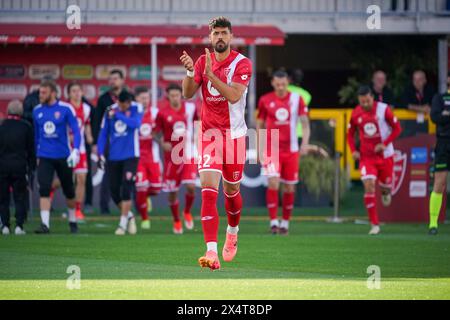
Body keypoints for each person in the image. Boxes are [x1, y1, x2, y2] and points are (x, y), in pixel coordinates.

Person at [181, 16, 252, 270]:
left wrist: (212, 75)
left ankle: (232, 231)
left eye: (224, 33)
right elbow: (188, 93)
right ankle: (211, 251)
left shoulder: (242, 64)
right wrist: (192, 71)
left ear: (230, 36)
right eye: (215, 34)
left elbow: (234, 96)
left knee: (232, 192)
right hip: (209, 135)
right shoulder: (203, 61)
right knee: (208, 192)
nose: (220, 37)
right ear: (210, 38)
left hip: (234, 136)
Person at [257, 70, 310, 235]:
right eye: (277, 84)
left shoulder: (297, 99)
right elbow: (259, 125)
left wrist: (305, 144)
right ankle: (273, 222)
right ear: (272, 83)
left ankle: (285, 223)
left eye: (283, 84)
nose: (280, 87)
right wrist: (259, 149)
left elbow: (305, 124)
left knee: (289, 188)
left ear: (288, 82)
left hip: (291, 149)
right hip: (272, 148)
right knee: (273, 182)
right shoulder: (265, 100)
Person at [347, 86, 402, 235]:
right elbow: (350, 134)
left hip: (385, 156)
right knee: (369, 185)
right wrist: (354, 151)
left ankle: (386, 192)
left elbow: (397, 128)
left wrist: (384, 144)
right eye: (362, 101)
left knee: (385, 187)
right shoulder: (356, 112)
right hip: (367, 158)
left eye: (367, 101)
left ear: (373, 97)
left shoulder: (384, 110)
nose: (365, 104)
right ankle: (374, 224)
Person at [33, 80, 81, 234]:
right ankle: (45, 225)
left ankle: (73, 221)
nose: (40, 95)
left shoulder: (66, 109)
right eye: (40, 92)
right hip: (44, 156)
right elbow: (36, 136)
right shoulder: (37, 110)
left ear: (53, 93)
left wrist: (76, 150)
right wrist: (36, 154)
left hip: (63, 156)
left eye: (44, 92)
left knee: (69, 190)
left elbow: (76, 130)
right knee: (44, 189)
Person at [97, 90, 143, 235]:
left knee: (126, 189)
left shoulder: (136, 107)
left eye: (128, 104)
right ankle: (129, 216)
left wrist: (118, 115)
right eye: (123, 105)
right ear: (118, 101)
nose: (126, 107)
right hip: (114, 156)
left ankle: (122, 225)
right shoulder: (109, 110)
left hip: (131, 155)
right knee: (114, 191)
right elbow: (103, 133)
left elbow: (135, 124)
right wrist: (99, 154)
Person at [153, 83, 197, 234]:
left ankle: (187, 212)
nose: (175, 98)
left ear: (181, 95)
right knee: (173, 192)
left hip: (189, 152)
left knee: (191, 186)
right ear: (168, 96)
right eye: (172, 96)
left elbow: (199, 123)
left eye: (177, 95)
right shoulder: (162, 113)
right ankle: (177, 220)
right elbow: (155, 132)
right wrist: (162, 142)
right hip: (172, 156)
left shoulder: (190, 109)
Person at [92, 69, 127, 215]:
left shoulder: (128, 97)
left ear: (122, 80)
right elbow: (96, 122)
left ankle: (134, 206)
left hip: (126, 142)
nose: (113, 81)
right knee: (107, 174)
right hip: (109, 143)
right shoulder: (104, 99)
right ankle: (104, 206)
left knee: (130, 175)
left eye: (115, 79)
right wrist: (95, 142)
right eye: (110, 79)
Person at [0, 100, 35, 235]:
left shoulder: (1, 126)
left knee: (3, 198)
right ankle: (19, 226)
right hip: (20, 167)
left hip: (2, 167)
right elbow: (31, 150)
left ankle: (5, 226)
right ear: (21, 112)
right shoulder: (26, 127)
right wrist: (31, 167)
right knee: (20, 197)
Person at [134, 86, 162, 230]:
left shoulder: (155, 113)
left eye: (147, 98)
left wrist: (157, 137)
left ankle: (145, 197)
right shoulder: (132, 113)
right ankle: (145, 218)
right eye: (142, 98)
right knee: (141, 187)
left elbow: (162, 132)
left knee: (156, 188)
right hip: (137, 158)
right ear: (136, 99)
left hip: (153, 157)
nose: (145, 101)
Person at [67, 82, 93, 220]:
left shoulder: (86, 108)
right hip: (66, 148)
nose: (77, 93)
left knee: (81, 178)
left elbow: (86, 124)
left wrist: (89, 136)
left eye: (79, 91)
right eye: (74, 91)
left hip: (80, 148)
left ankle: (77, 209)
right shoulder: (66, 108)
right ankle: (52, 191)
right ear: (69, 94)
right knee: (66, 180)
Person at [428, 72, 450, 235]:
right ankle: (433, 223)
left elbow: (443, 116)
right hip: (443, 143)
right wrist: (443, 116)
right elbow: (435, 116)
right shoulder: (440, 98)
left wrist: (446, 115)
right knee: (440, 183)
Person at [288, 69, 312, 148]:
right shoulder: (306, 95)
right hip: (299, 133)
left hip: (283, 132)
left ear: (289, 78)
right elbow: (307, 116)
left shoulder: (282, 91)